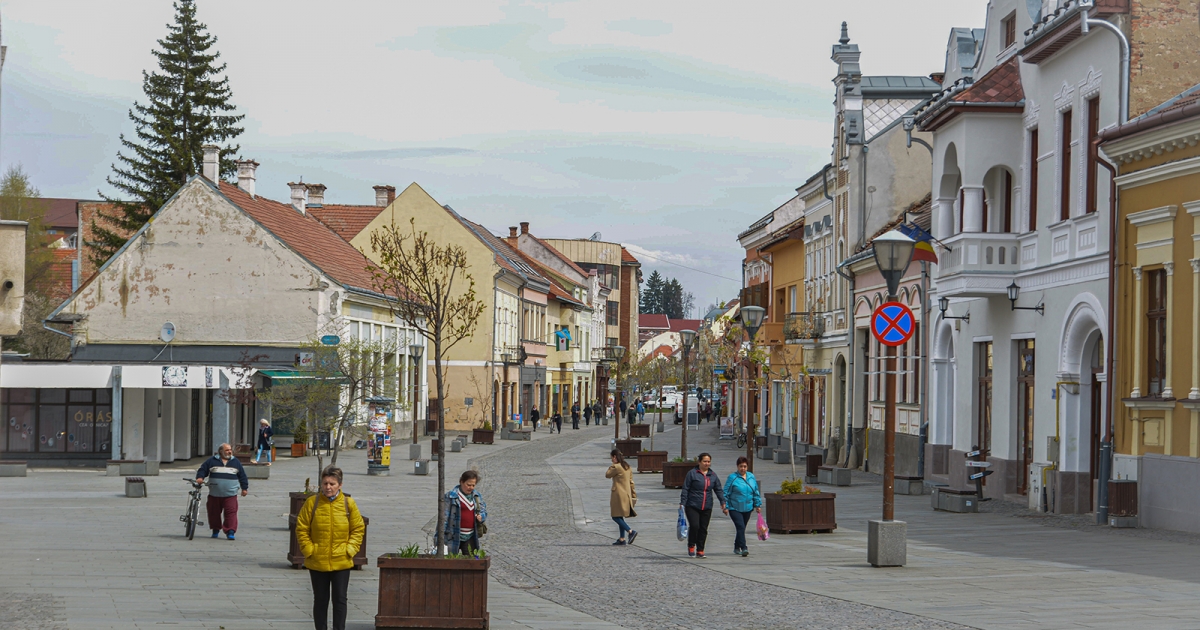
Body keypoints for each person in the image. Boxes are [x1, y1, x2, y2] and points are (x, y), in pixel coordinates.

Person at [295, 466, 365, 630]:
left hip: (342, 560)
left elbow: (358, 528)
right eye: (325, 483)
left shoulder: (349, 504)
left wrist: (350, 550)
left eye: (332, 484)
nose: (328, 487)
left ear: (340, 485)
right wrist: (309, 550)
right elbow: (302, 528)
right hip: (317, 560)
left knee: (340, 599)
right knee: (320, 600)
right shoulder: (312, 503)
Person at [195, 443, 249, 540]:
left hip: (230, 494)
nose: (229, 452)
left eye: (230, 450)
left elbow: (242, 476)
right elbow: (202, 469)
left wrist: (244, 488)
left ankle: (230, 531)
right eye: (227, 450)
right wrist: (200, 477)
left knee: (231, 512)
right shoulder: (212, 461)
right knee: (213, 513)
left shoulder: (235, 462)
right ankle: (215, 529)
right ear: (221, 451)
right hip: (214, 494)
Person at [679, 452, 726, 558]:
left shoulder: (712, 475)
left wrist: (722, 502)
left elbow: (718, 489)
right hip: (692, 505)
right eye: (704, 461)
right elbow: (685, 488)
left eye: (708, 461)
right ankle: (691, 545)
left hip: (707, 506)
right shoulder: (692, 473)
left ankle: (700, 549)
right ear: (699, 462)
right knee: (695, 526)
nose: (707, 463)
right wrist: (682, 503)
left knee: (703, 528)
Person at [438, 470, 488, 555]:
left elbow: (483, 511)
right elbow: (444, 518)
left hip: (470, 535)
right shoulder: (451, 496)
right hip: (453, 535)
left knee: (470, 562)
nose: (471, 487)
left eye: (473, 485)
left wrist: (481, 517)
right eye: (468, 485)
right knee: (451, 562)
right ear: (461, 482)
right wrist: (439, 538)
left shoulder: (476, 496)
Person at [724, 456, 763, 557]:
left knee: (742, 528)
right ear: (737, 467)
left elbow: (755, 491)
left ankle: (736, 546)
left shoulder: (751, 477)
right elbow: (726, 493)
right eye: (741, 466)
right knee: (740, 526)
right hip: (735, 507)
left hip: (748, 507)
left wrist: (757, 504)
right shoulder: (732, 478)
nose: (743, 469)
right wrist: (725, 506)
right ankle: (744, 547)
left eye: (745, 466)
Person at [606, 449, 638, 545]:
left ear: (615, 457)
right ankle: (622, 538)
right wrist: (633, 494)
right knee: (619, 515)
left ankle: (630, 531)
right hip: (626, 494)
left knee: (615, 516)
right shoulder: (628, 467)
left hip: (618, 495)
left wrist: (613, 465)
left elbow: (607, 475)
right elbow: (631, 482)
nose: (611, 460)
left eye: (612, 458)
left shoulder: (616, 467)